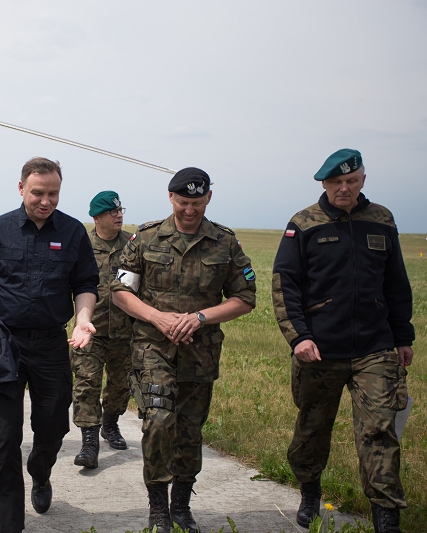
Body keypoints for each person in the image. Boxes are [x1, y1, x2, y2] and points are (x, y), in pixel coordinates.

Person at [272, 149, 414, 533]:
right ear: (324, 184)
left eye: (351, 181)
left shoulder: (381, 219)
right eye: (336, 182)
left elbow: (396, 282)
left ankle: (386, 516)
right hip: (319, 350)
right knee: (313, 428)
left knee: (380, 432)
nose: (344, 188)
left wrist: (403, 336)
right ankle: (309, 493)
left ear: (363, 179)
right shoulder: (304, 224)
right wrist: (299, 337)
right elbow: (285, 286)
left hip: (375, 347)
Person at [111, 168, 256, 533]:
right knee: (159, 419)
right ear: (171, 197)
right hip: (153, 346)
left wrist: (201, 317)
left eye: (197, 203)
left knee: (189, 431)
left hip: (199, 351)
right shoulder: (146, 237)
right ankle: (158, 506)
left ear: (208, 198)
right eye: (183, 202)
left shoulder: (224, 242)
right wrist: (157, 317)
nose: (190, 210)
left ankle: (181, 505)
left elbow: (245, 297)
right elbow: (120, 292)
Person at [0, 157, 99, 533]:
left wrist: (83, 319)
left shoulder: (72, 231)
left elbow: (86, 284)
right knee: (3, 440)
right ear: (21, 188)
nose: (45, 201)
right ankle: (10, 525)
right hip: (3, 345)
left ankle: (40, 472)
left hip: (52, 345)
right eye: (38, 193)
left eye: (53, 193)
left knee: (53, 427)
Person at [71, 191, 133, 470]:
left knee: (121, 385)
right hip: (90, 330)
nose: (118, 215)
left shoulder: (133, 245)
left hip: (125, 330)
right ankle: (89, 442)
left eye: (120, 211)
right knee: (86, 384)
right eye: (112, 212)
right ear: (97, 218)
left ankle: (110, 423)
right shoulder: (81, 245)